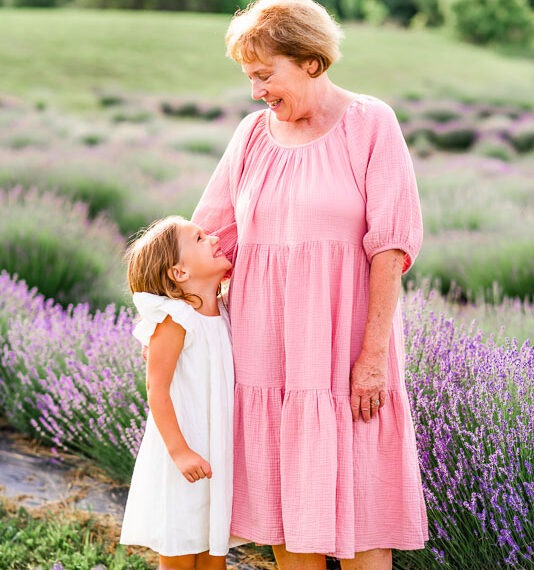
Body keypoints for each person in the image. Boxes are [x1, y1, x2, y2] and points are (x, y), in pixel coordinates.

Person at [191, 0, 428, 568]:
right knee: (284, 504)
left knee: (364, 499)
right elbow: (205, 241)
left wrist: (373, 356)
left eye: (264, 75)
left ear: (311, 62)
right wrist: (170, 325)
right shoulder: (250, 137)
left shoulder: (371, 123)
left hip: (349, 351)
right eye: (249, 78)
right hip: (266, 354)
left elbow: (391, 247)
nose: (255, 92)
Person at [120, 216, 240, 570]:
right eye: (201, 238)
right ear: (179, 273)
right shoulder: (175, 319)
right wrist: (180, 451)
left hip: (216, 448)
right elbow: (156, 388)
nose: (215, 238)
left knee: (213, 550)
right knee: (180, 548)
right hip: (181, 450)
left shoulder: (226, 312)